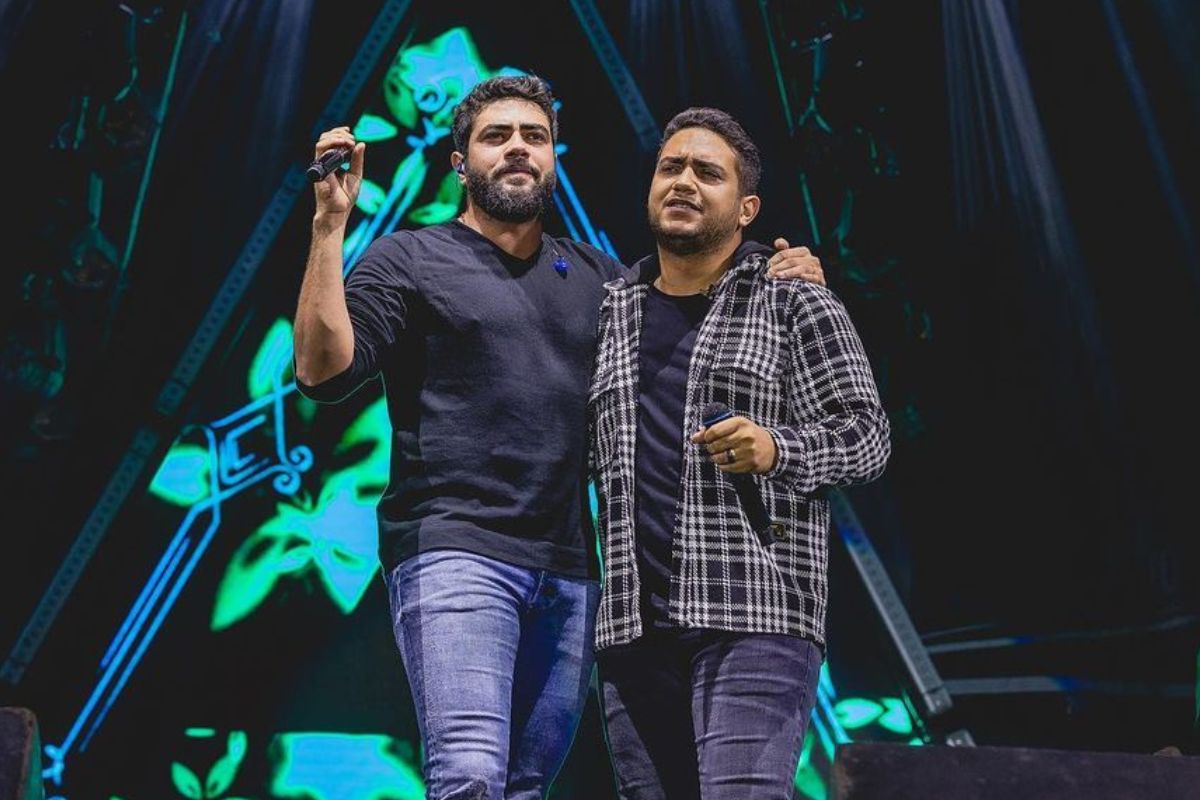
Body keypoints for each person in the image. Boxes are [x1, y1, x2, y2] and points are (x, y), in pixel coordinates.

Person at [292, 76, 825, 800]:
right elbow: (323, 371)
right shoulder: (410, 259)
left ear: (553, 158)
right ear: (460, 162)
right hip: (455, 550)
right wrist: (330, 227)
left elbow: (694, 289)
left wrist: (777, 266)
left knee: (522, 785)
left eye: (533, 137)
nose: (517, 148)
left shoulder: (603, 280)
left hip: (572, 570)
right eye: (496, 136)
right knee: (471, 776)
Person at [588, 107, 892, 799]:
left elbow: (868, 438)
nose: (684, 182)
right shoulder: (609, 313)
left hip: (755, 614)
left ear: (746, 206)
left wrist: (776, 447)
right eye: (671, 168)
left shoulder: (793, 300)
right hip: (636, 630)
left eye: (707, 173)